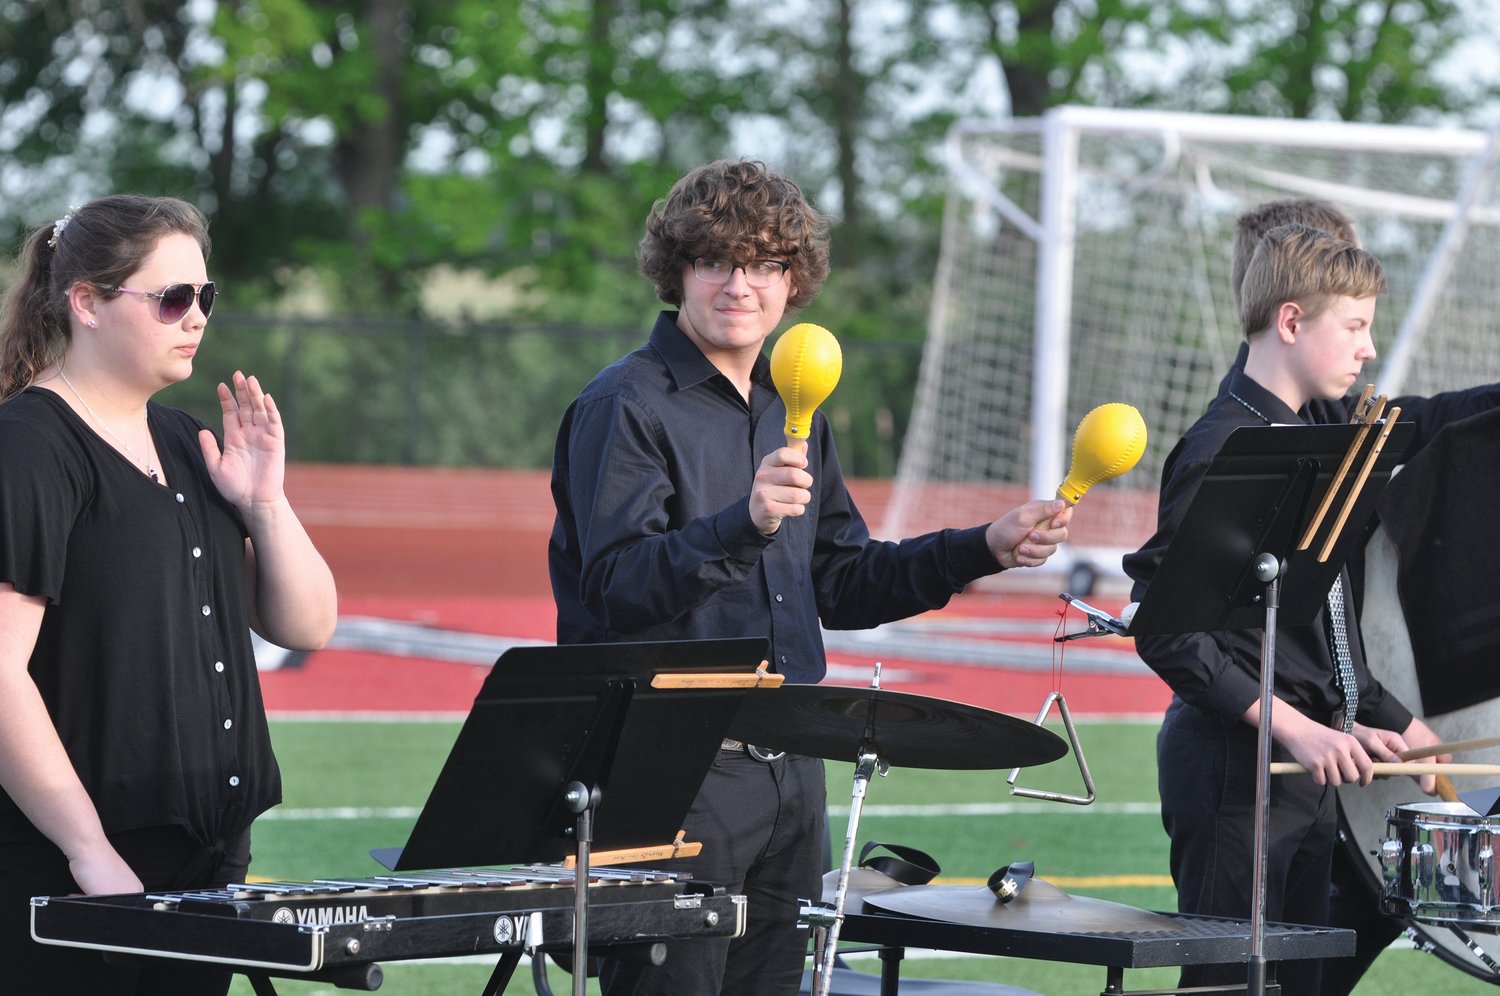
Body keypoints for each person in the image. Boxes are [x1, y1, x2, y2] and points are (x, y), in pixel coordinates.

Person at [548, 158, 1072, 995]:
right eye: (716, 259)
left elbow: (843, 582)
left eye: (764, 265)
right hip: (673, 766)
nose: (739, 285)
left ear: (793, 285)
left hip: (796, 761)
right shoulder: (625, 406)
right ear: (677, 268)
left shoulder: (790, 409)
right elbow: (615, 589)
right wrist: (742, 523)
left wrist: (984, 547)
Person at [1123, 223, 1500, 995]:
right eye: (1355, 327)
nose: (1367, 350)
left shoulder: (1307, 440)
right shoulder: (1225, 447)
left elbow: (1312, 627)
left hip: (1302, 770)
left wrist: (1370, 716)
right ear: (1291, 322)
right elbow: (1167, 631)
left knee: (1301, 989)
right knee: (1229, 989)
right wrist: (1297, 725)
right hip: (1237, 771)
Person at [0, 195, 338, 994]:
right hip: (79, 861)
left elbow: (308, 624)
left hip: (207, 858)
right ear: (86, 302)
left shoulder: (190, 444)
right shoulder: (29, 446)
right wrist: (90, 852)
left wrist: (265, 503)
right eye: (172, 298)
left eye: (205, 297)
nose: (195, 318)